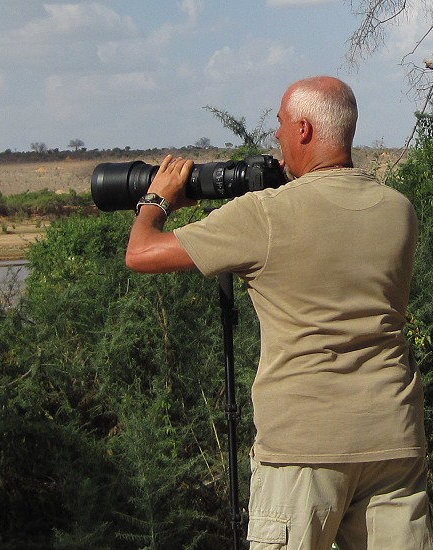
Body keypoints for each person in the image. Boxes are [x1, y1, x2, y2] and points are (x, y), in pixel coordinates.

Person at [125, 76, 433, 549]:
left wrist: (159, 197)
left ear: (305, 130)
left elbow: (142, 254)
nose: (277, 137)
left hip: (303, 444)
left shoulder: (265, 214)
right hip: (394, 436)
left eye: (282, 124)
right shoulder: (399, 210)